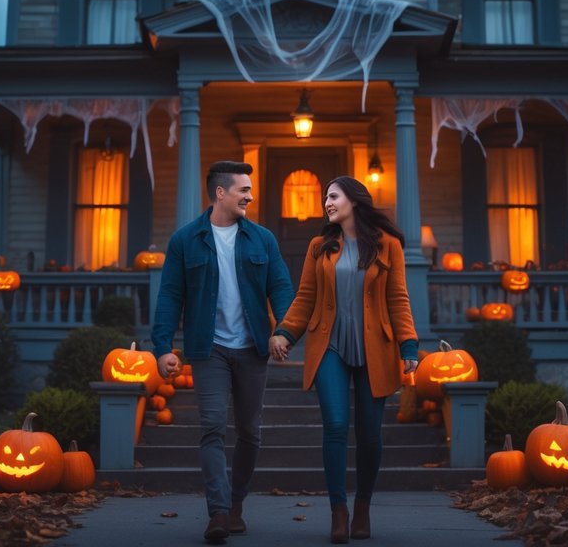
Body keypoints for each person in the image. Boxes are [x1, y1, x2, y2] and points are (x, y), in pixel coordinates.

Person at [269, 176, 419, 544]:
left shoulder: (388, 245)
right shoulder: (319, 246)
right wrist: (285, 333)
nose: (327, 203)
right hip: (330, 345)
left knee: (369, 433)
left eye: (333, 196)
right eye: (326, 197)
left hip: (375, 348)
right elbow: (305, 296)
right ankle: (339, 510)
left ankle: (362, 506)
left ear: (354, 200)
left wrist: (408, 345)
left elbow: (398, 298)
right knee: (336, 424)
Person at [151, 160, 295, 544]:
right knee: (212, 426)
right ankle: (218, 511)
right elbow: (170, 296)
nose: (250, 196)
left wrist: (284, 332)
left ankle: (236, 504)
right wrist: (162, 347)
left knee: (249, 431)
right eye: (243, 190)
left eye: (250, 190)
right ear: (220, 193)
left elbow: (281, 288)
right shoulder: (185, 240)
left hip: (252, 348)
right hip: (208, 348)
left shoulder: (263, 239)